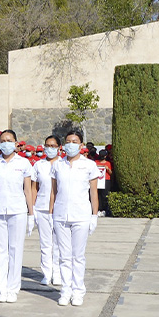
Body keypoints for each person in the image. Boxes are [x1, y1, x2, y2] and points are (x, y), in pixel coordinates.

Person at [0, 129, 35, 303]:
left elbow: (28, 190)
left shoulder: (24, 163)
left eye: (9, 140)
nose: (6, 143)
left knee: (15, 249)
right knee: (0, 251)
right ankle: (2, 289)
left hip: (18, 210)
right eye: (2, 140)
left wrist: (31, 213)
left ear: (15, 143)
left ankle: (13, 289)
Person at [49, 129, 100, 306]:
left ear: (81, 145)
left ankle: (78, 291)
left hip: (81, 215)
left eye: (75, 141)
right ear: (64, 145)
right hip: (61, 215)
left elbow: (94, 193)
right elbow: (53, 192)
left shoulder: (89, 166)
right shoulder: (57, 165)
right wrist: (50, 213)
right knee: (64, 256)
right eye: (68, 142)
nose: (71, 145)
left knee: (78, 256)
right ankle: (65, 290)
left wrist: (94, 215)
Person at [30, 136, 63, 287]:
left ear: (59, 147)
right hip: (42, 208)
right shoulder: (39, 165)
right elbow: (34, 188)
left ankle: (57, 274)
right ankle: (46, 273)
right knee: (45, 243)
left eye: (53, 146)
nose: (50, 148)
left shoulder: (63, 164)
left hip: (59, 209)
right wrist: (32, 209)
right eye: (47, 146)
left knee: (58, 244)